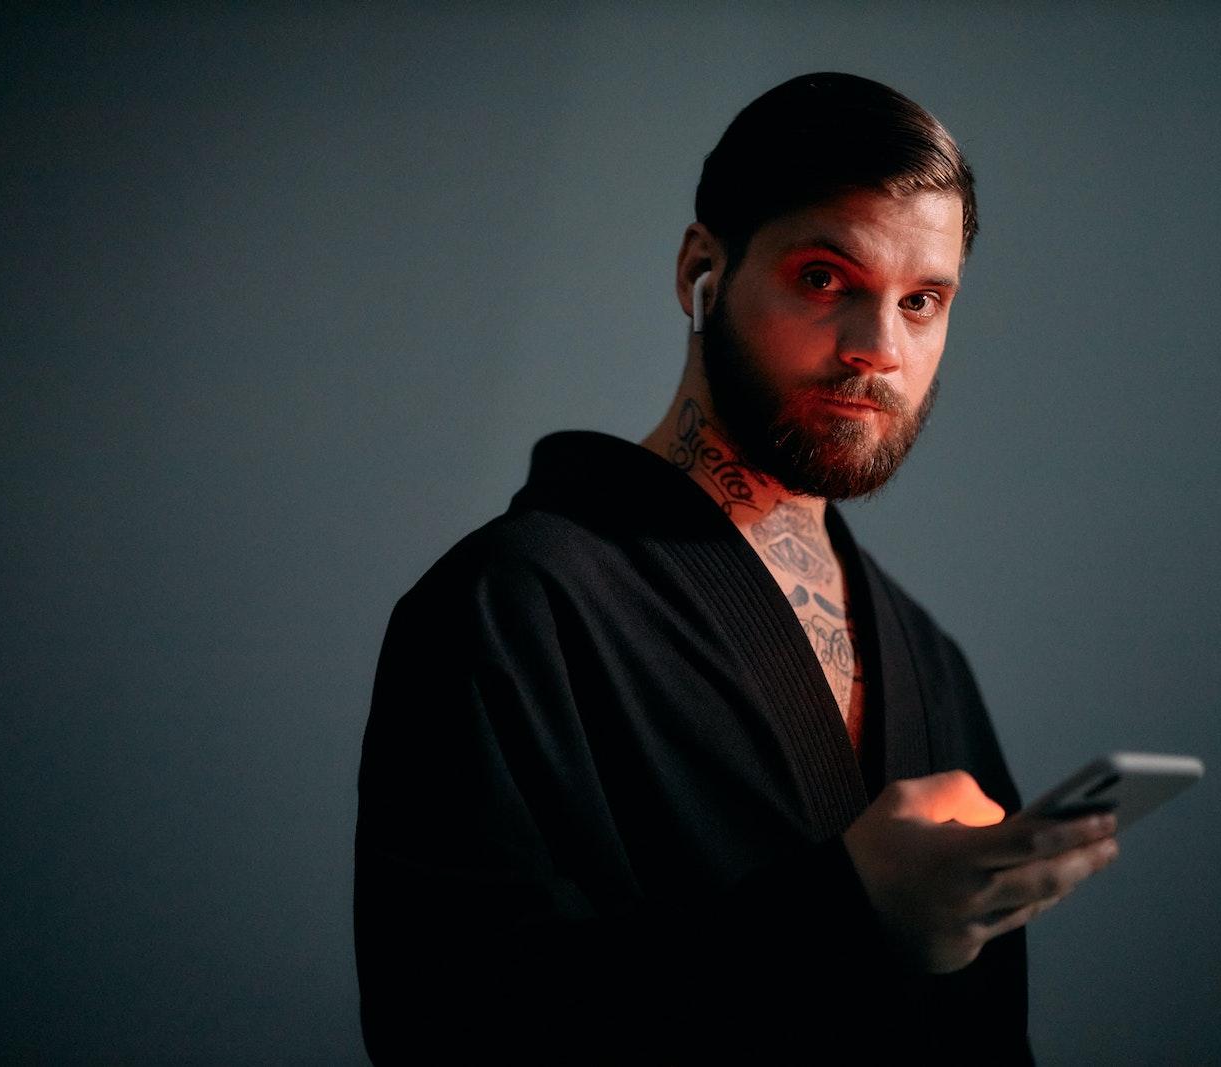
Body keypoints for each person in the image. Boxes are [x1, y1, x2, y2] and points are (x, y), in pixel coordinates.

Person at [353, 72, 1118, 1064]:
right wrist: (848, 913)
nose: (877, 349)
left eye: (922, 300)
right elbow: (449, 1030)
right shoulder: (508, 604)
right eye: (822, 279)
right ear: (699, 269)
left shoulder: (928, 658)